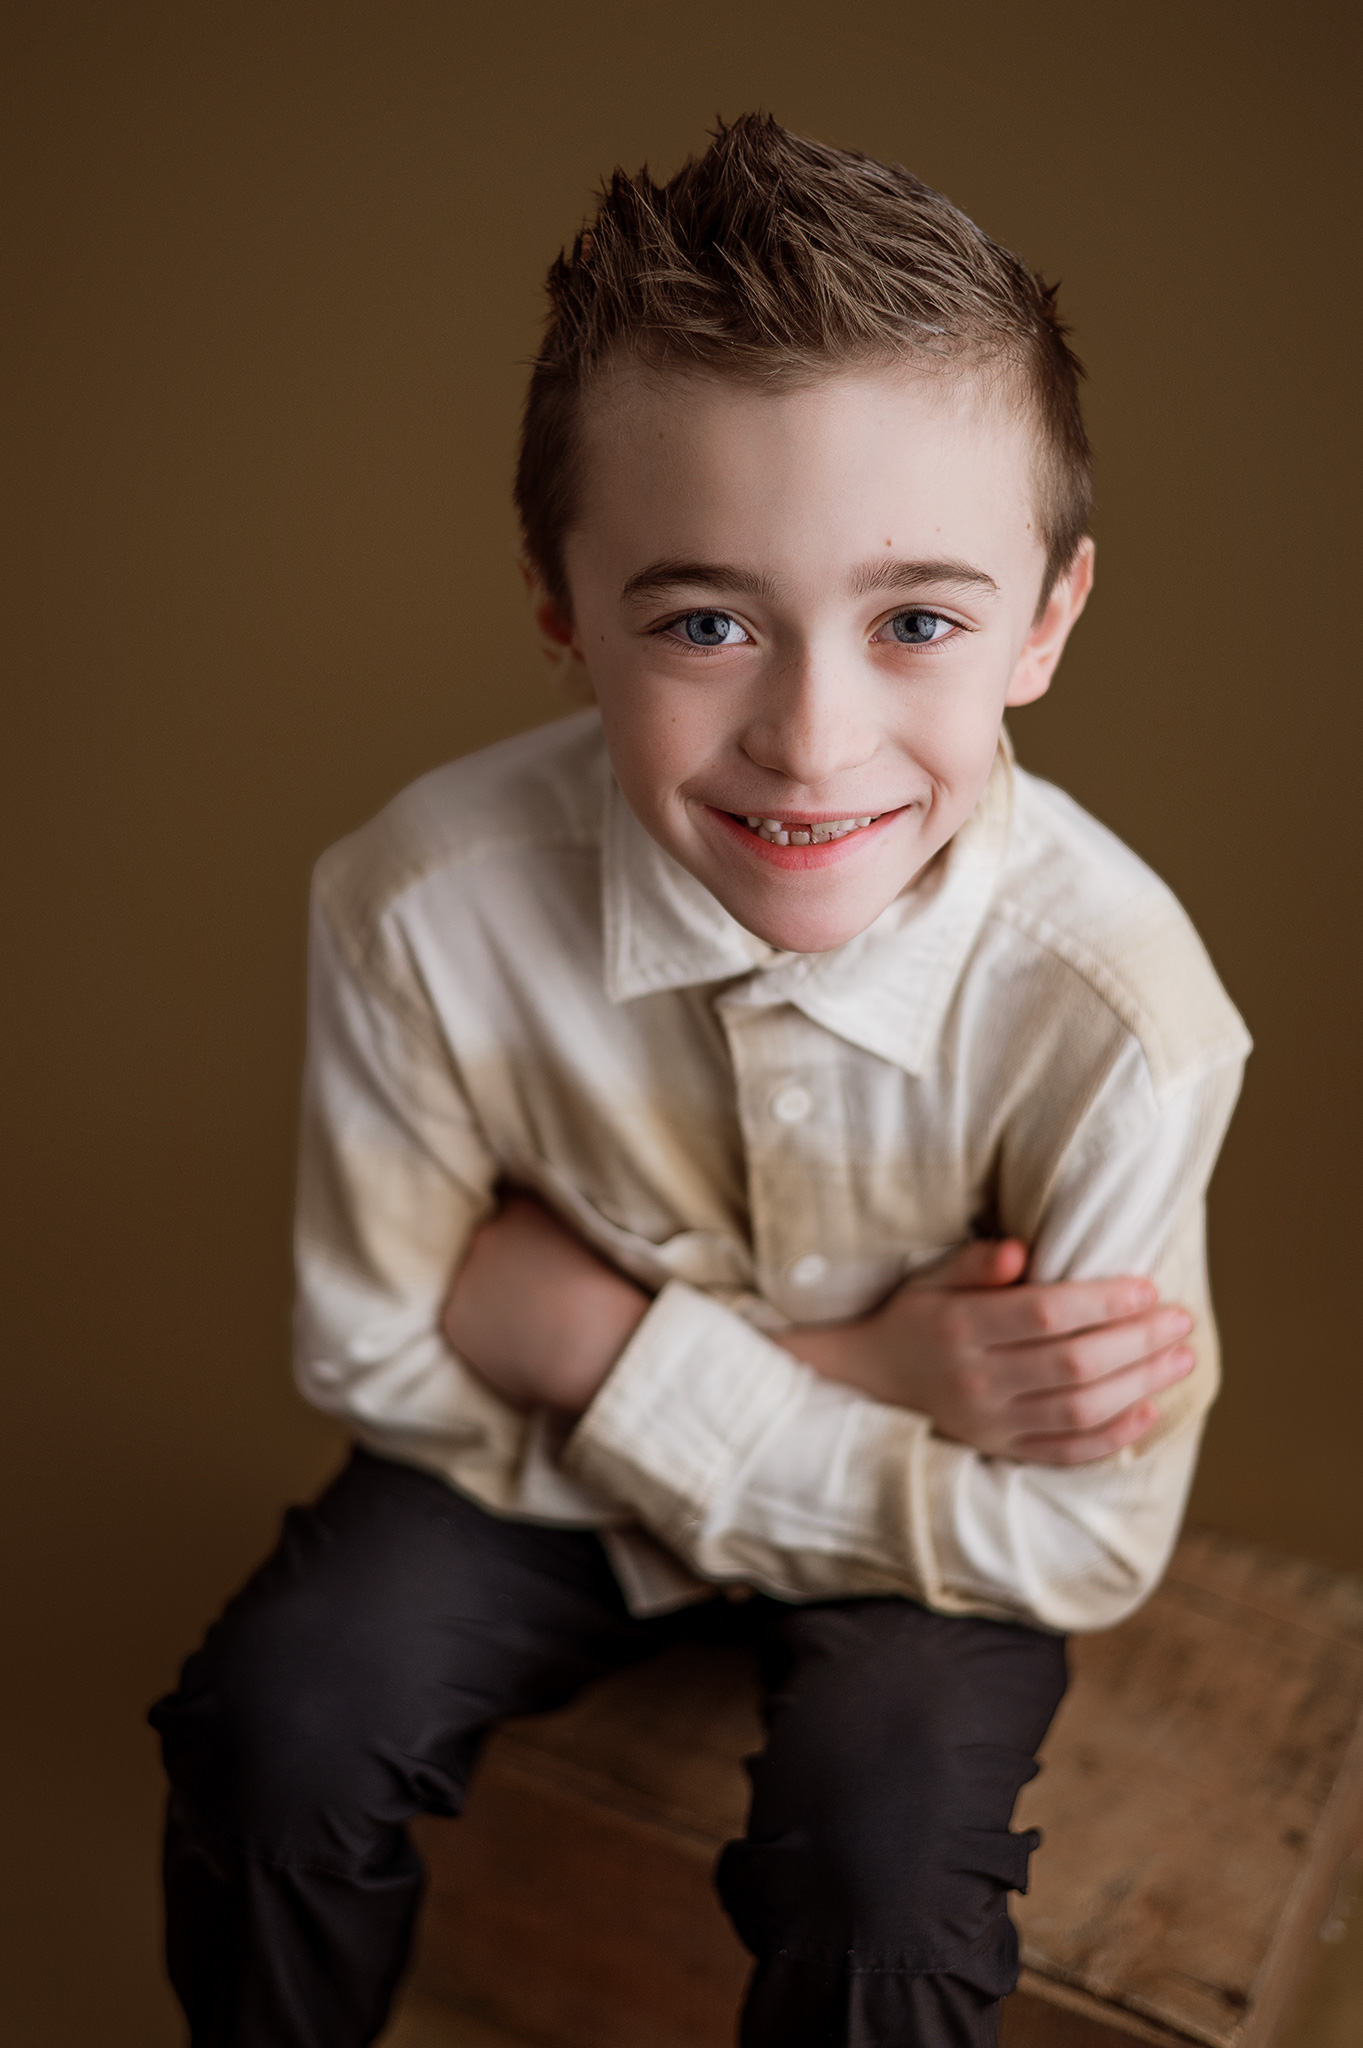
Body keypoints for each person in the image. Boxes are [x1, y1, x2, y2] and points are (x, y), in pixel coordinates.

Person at [151, 115, 1250, 2047]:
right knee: (282, 1722)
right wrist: (874, 1379)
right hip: (804, 1466)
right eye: (707, 620)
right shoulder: (419, 907)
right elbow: (367, 1350)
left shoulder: (1123, 1011)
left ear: (1048, 621)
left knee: (888, 1868)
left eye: (918, 619)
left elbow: (1081, 1535)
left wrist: (582, 1333)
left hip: (835, 1509)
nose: (812, 741)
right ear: (562, 607)